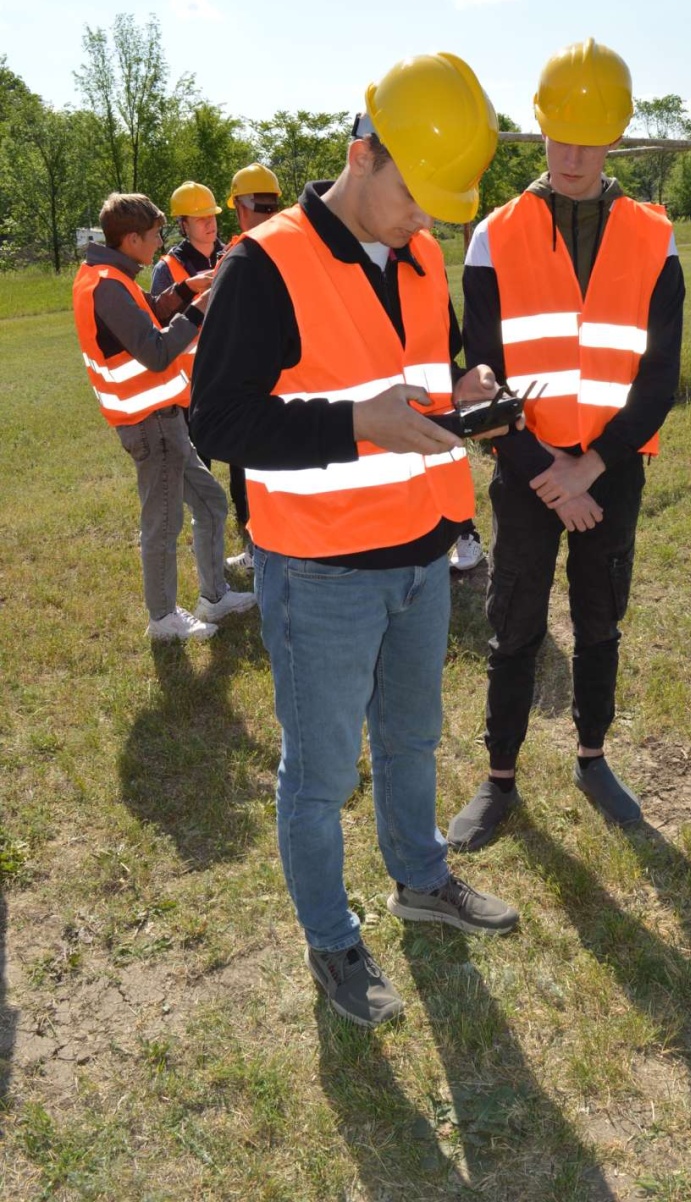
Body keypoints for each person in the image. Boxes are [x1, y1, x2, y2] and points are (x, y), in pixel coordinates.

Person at [190, 53, 519, 1029]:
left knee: (413, 737)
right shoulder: (265, 263)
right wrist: (354, 424)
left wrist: (471, 399)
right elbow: (218, 427)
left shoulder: (418, 260)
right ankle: (333, 940)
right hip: (321, 569)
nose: (427, 220)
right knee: (323, 774)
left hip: (422, 555)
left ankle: (421, 879)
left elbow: (432, 375)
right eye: (417, 194)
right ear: (361, 154)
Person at [447, 39, 686, 853]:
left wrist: (593, 463)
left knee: (599, 619)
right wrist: (549, 472)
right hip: (526, 472)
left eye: (591, 137)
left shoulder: (656, 236)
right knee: (513, 621)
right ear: (541, 128)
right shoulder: (493, 235)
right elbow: (481, 379)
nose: (574, 155)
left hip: (612, 470)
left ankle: (592, 757)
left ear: (616, 135)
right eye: (561, 135)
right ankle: (500, 777)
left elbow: (659, 377)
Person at [71, 193, 258, 640]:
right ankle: (163, 618)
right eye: (154, 236)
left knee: (211, 504)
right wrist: (200, 308)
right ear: (131, 238)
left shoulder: (111, 275)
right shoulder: (107, 284)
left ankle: (214, 596)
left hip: (163, 419)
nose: (159, 244)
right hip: (147, 424)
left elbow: (145, 316)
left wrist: (185, 289)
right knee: (163, 523)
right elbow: (155, 351)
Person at [220, 162, 285, 571]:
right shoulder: (298, 244)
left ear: (241, 206)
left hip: (252, 387)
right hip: (294, 386)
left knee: (247, 472)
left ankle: (258, 545)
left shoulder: (242, 255)